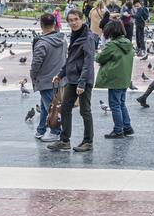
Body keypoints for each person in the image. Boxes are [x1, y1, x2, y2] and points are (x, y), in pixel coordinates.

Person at [47, 10, 97, 153]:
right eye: (70, 20)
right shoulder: (76, 35)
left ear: (82, 19)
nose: (73, 23)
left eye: (76, 19)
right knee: (65, 108)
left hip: (83, 80)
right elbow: (71, 59)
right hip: (72, 78)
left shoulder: (88, 37)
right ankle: (64, 141)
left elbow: (88, 62)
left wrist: (82, 83)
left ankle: (88, 142)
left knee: (84, 110)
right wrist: (61, 74)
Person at [29, 12, 66, 143]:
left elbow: (36, 63)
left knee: (52, 108)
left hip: (45, 80)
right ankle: (41, 130)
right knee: (46, 106)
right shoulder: (62, 39)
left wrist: (33, 75)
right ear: (55, 24)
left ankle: (55, 132)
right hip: (59, 78)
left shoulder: (42, 43)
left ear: (41, 25)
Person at [96, 19, 135, 139]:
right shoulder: (127, 42)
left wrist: (99, 52)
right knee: (121, 104)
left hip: (114, 79)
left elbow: (99, 58)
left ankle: (118, 130)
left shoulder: (112, 45)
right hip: (125, 79)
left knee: (115, 105)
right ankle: (127, 127)